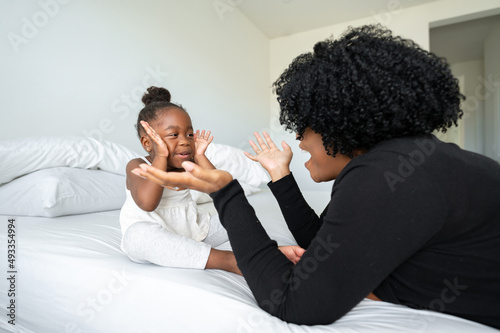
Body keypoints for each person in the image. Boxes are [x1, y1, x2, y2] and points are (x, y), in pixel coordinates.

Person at [131, 26, 500, 329]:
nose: (299, 139)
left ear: (336, 122)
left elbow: (293, 303)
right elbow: (327, 244)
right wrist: (281, 176)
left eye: (304, 126)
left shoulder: (386, 175)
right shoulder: (403, 162)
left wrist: (226, 191)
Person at [120, 86, 242, 273]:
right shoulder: (137, 165)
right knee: (136, 237)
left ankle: (261, 251)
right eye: (174, 135)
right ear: (147, 142)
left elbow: (220, 188)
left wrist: (200, 155)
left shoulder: (188, 163)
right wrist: (161, 156)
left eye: (189, 134)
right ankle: (227, 260)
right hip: (155, 236)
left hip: (192, 232)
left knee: (238, 214)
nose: (185, 141)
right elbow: (147, 203)